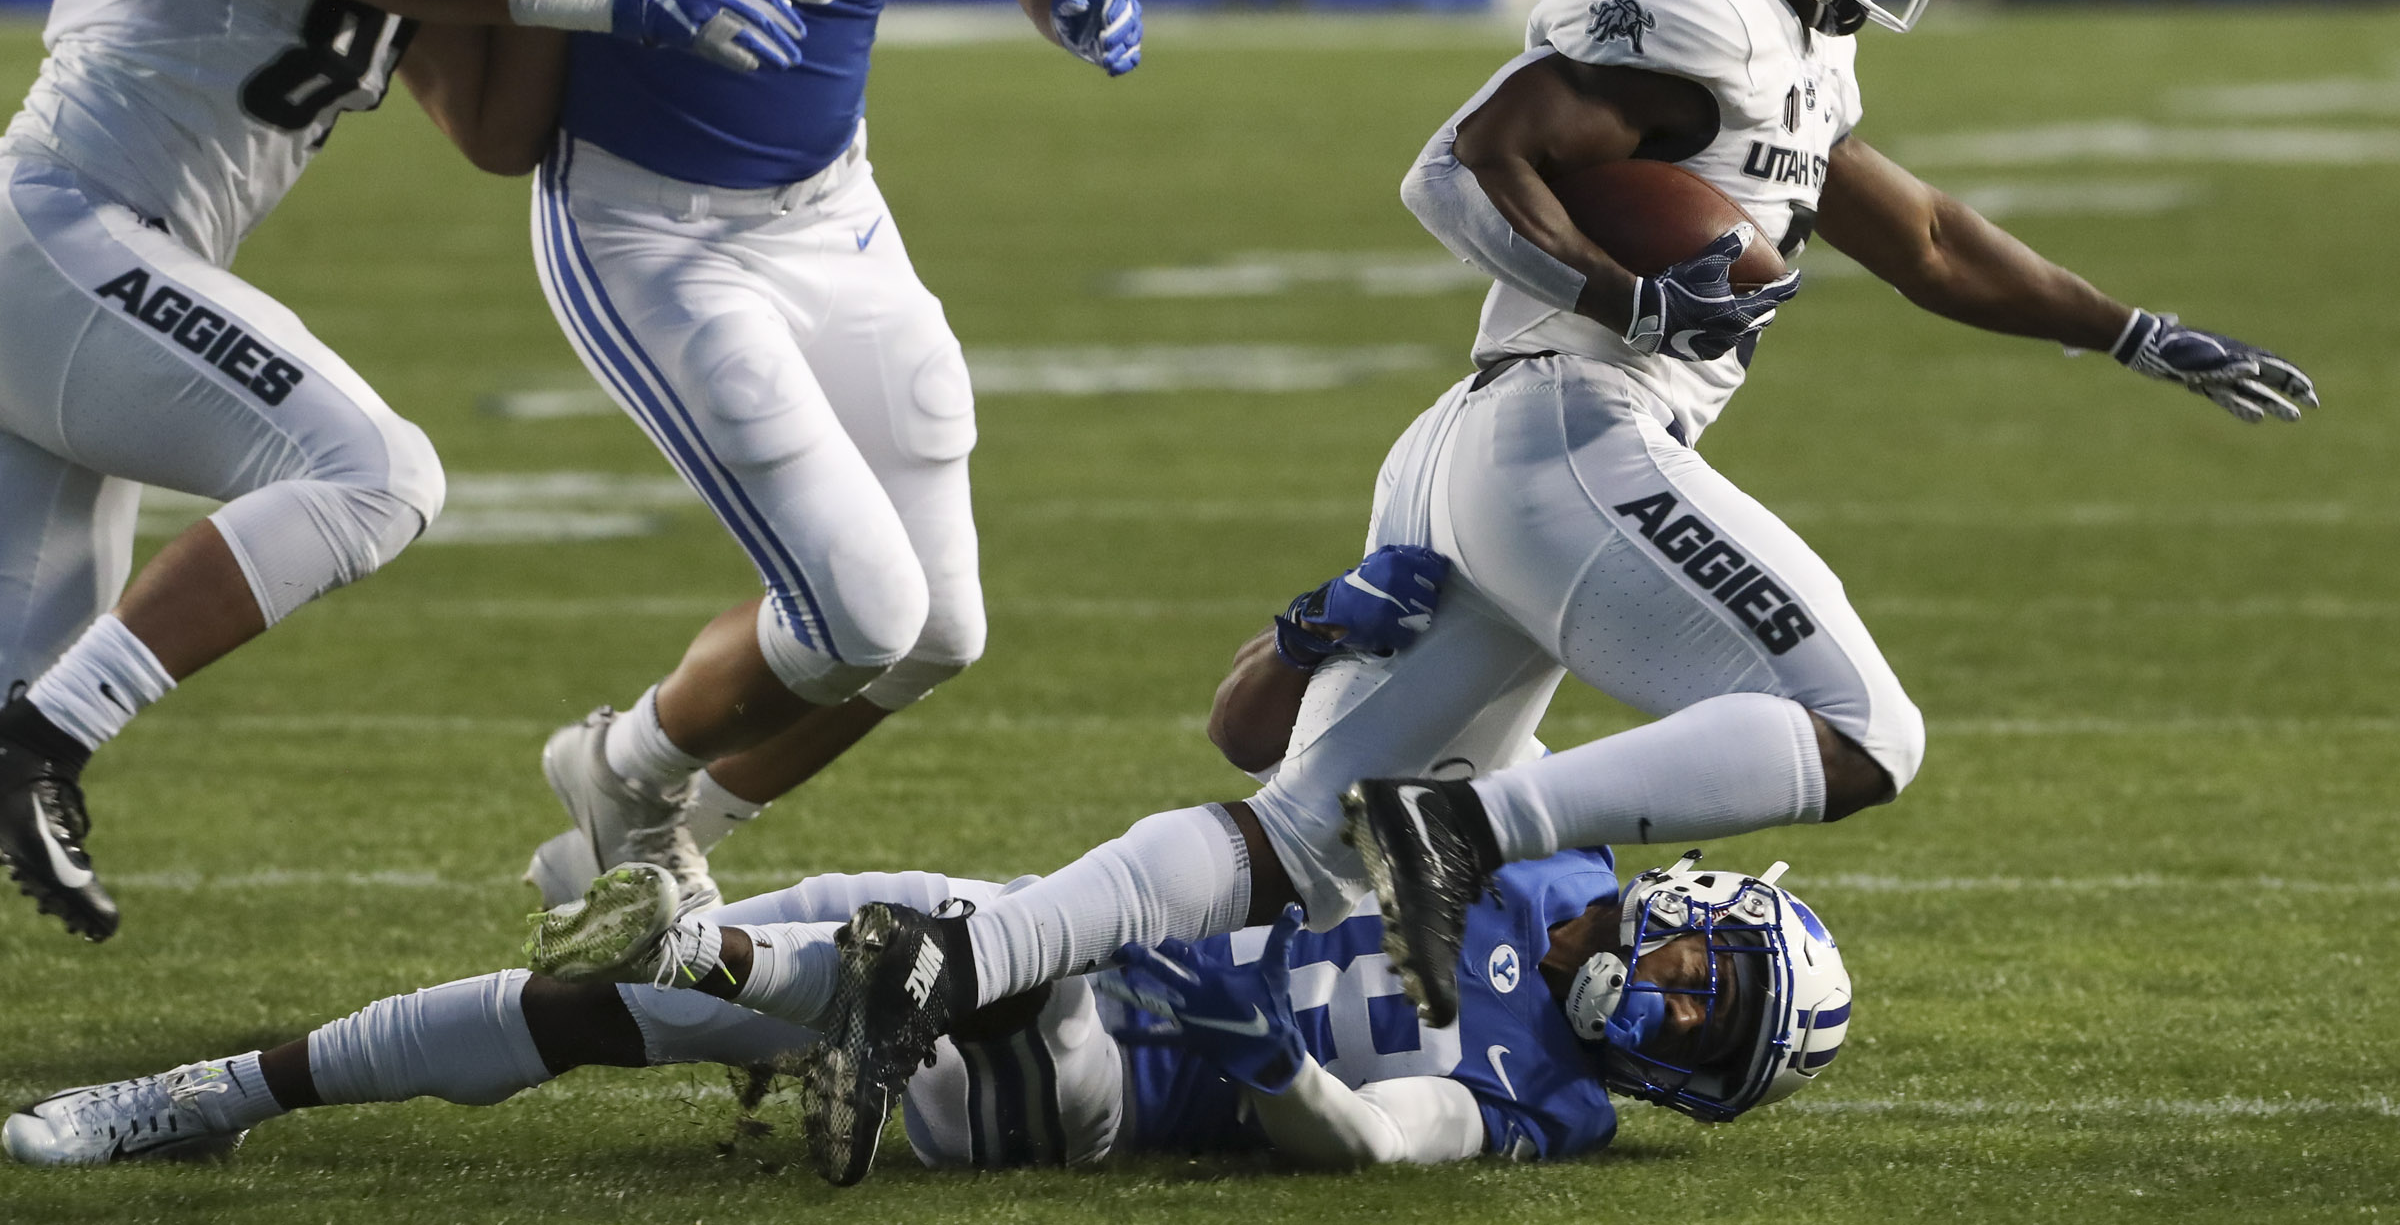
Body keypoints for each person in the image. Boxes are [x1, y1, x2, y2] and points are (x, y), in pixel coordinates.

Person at [791, 0, 2317, 1187]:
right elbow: (1460, 164)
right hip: (1568, 427)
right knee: (1862, 732)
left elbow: (1919, 236)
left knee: (1301, 848)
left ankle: (943, 961)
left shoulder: (1787, 52)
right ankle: (1470, 825)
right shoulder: (1686, 2)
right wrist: (1624, 289)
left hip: (1505, 451)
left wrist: (2127, 329)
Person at [3, 563, 1852, 1171]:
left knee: (850, 977)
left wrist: (1266, 1049)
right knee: (604, 1006)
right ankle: (232, 1087)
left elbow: (1380, 1138)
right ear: (1710, 907)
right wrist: (1318, 628)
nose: (1676, 996)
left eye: (1709, 1028)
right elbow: (1252, 742)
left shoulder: (1553, 1097)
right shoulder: (1539, 816)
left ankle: (717, 953)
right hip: (1081, 919)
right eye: (1716, 971)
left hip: (1099, 1071)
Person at [330, 0, 1145, 921]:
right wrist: (621, 0)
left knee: (939, 630)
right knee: (861, 614)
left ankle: (640, 834)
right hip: (649, 219)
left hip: (835, 205)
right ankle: (622, 772)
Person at [0, 0, 794, 942]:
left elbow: (489, 121)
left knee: (27, 663)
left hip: (92, 261)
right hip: (65, 230)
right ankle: (49, 742)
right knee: (372, 472)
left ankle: (36, 730)